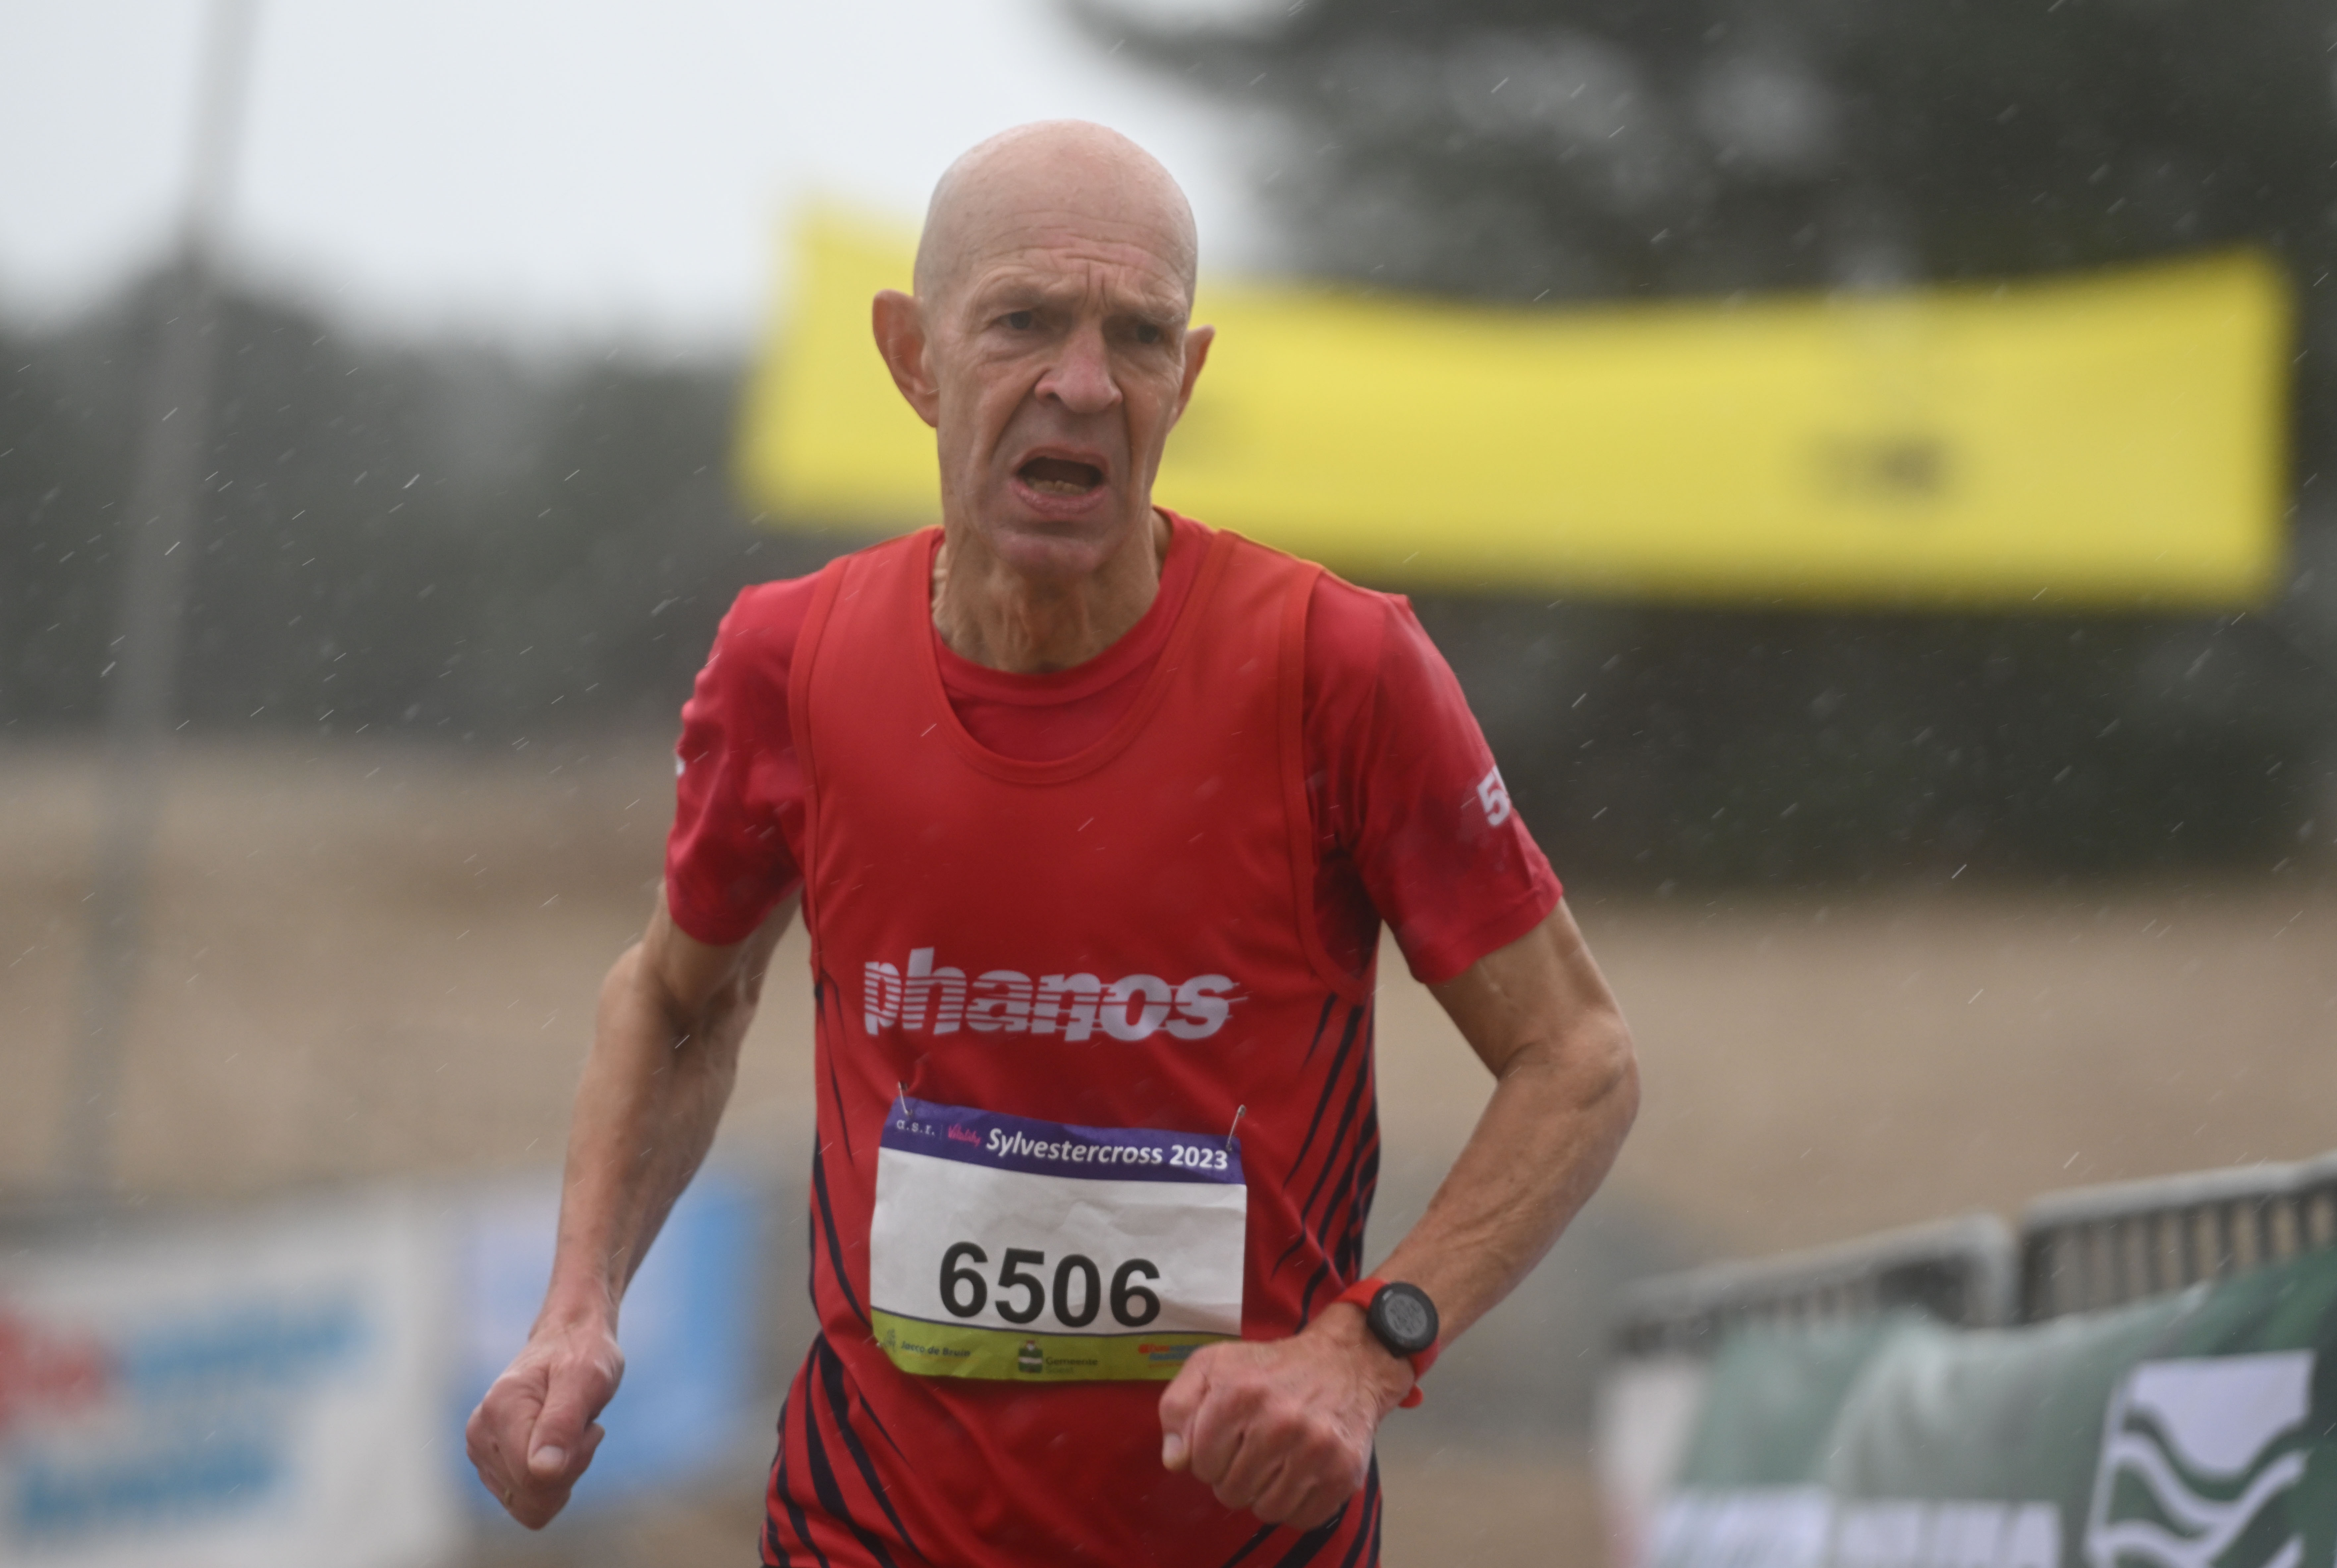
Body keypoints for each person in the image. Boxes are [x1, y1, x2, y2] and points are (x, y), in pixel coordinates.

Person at [465, 120, 1639, 1566]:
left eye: (1136, 336)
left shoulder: (1338, 668)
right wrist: (576, 1307)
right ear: (912, 357)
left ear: (1184, 378)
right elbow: (674, 998)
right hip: (863, 1534)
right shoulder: (792, 662)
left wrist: (1363, 1347)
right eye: (1022, 321)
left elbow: (1577, 1058)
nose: (1081, 384)